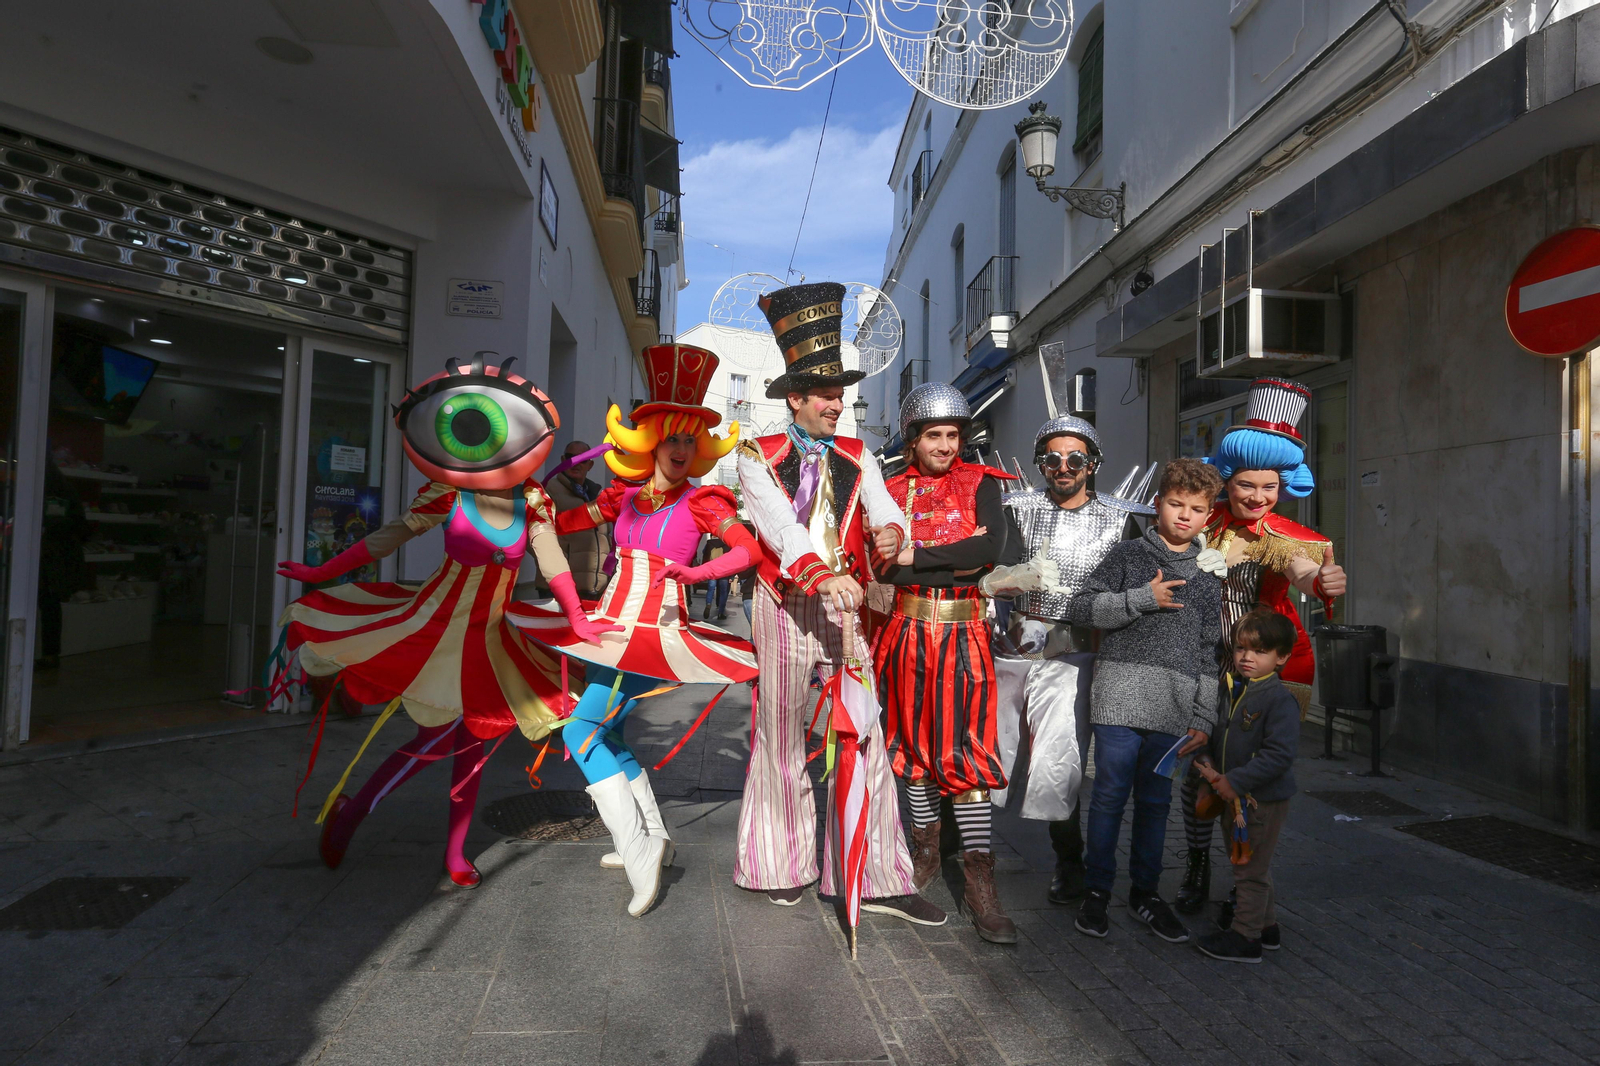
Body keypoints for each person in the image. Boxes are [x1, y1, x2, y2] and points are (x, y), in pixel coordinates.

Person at [276, 353, 609, 889]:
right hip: (432, 626)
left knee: (472, 747)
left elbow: (552, 562)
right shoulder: (449, 495)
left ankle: (454, 852)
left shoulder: (533, 502)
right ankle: (353, 812)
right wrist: (323, 571)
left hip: (493, 640)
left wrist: (576, 616)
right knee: (431, 741)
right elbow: (388, 538)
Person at [507, 343, 759, 917]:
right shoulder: (626, 498)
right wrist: (536, 502)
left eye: (689, 440)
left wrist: (698, 570)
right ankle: (652, 837)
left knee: (582, 734)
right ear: (650, 444)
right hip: (609, 622)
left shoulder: (705, 503)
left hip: (656, 631)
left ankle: (638, 850)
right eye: (670, 437)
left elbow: (745, 552)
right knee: (609, 734)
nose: (680, 448)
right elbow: (567, 521)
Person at [733, 282, 944, 926]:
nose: (839, 403)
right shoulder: (753, 455)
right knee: (781, 737)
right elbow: (780, 528)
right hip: (787, 603)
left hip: (847, 612)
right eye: (827, 394)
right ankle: (778, 862)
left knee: (867, 734)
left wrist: (889, 533)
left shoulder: (858, 455)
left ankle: (877, 874)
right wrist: (822, 576)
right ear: (795, 397)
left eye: (842, 393)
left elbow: (883, 511)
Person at [1174, 377, 1347, 915]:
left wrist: (1321, 582)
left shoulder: (1289, 537)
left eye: (1268, 487)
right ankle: (1198, 864)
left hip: (1270, 674)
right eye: (1247, 484)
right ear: (1227, 481)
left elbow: (1299, 569)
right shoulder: (1203, 524)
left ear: (1283, 485)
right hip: (1204, 666)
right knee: (1196, 769)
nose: (1256, 496)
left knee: (1247, 783)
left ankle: (1245, 887)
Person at [875, 382, 1026, 943]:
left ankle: (982, 883)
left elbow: (990, 553)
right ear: (913, 439)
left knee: (967, 751)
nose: (944, 444)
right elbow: (886, 570)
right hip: (907, 635)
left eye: (953, 434)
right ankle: (924, 855)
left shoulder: (983, 483)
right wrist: (945, 564)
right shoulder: (889, 490)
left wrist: (917, 555)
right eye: (933, 434)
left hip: (965, 637)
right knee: (913, 749)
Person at [987, 414, 1148, 908]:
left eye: (1075, 459)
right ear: (1039, 463)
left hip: (1080, 650)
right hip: (1016, 645)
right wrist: (1014, 578)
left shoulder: (1121, 518)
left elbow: (1145, 575)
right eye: (1052, 459)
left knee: (1060, 754)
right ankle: (964, 846)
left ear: (1093, 464)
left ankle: (1069, 857)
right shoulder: (1015, 507)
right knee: (990, 746)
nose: (1063, 467)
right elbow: (990, 571)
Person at [1065, 457, 1225, 943]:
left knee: (1155, 802)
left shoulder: (1208, 573)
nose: (1184, 516)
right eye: (1175, 504)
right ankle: (1096, 892)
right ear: (1157, 503)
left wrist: (1204, 713)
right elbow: (1082, 606)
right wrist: (1140, 599)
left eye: (1195, 509)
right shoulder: (1128, 556)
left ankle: (1146, 894)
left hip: (1175, 710)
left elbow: (1207, 649)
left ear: (1208, 517)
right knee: (1110, 795)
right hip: (1117, 698)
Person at [1194, 608, 1302, 963]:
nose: (1247, 657)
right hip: (1233, 796)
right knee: (1255, 865)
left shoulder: (1278, 699)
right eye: (1241, 649)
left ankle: (1246, 937)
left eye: (1259, 651)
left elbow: (1278, 755)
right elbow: (1217, 733)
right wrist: (1208, 763)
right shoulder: (1232, 688)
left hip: (1259, 800)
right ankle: (1266, 928)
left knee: (1249, 871)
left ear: (1282, 657)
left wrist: (1236, 781)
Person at [544, 438, 611, 600]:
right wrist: (557, 565)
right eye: (570, 457)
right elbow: (535, 534)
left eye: (583, 459)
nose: (576, 463)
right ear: (563, 461)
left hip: (596, 586)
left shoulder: (598, 494)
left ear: (590, 465)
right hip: (561, 586)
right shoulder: (549, 490)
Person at [698, 532, 731, 620]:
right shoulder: (726, 544)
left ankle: (708, 605)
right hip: (723, 571)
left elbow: (704, 553)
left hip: (712, 570)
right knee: (723, 592)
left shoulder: (709, 543)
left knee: (711, 589)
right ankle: (721, 612)